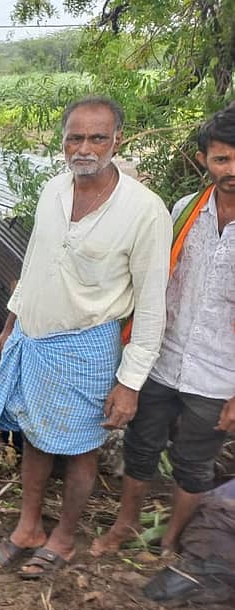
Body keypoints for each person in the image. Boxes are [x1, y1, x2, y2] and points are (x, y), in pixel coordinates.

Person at [0, 96, 173, 578]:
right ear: (62, 140)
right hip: (33, 336)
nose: (84, 148)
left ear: (117, 141)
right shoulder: (52, 190)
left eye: (97, 138)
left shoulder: (145, 211)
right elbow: (34, 264)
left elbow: (152, 304)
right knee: (33, 438)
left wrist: (129, 383)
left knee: (79, 447)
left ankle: (64, 538)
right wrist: (10, 326)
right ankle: (28, 528)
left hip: (88, 345)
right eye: (74, 137)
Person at [90, 105, 235, 557]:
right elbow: (155, 287)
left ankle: (172, 542)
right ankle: (125, 527)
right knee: (141, 446)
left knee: (194, 463)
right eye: (221, 159)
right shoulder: (182, 213)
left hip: (219, 373)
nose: (232, 170)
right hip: (162, 360)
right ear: (202, 161)